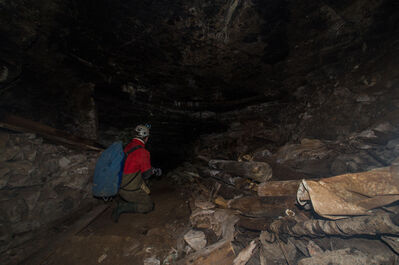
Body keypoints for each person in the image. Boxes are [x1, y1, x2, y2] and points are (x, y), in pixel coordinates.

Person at [112, 124, 161, 222]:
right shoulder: (142, 152)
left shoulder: (128, 146)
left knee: (142, 183)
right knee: (149, 206)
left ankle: (124, 200)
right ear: (146, 138)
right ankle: (122, 207)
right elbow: (146, 174)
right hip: (128, 188)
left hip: (118, 184)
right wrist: (155, 171)